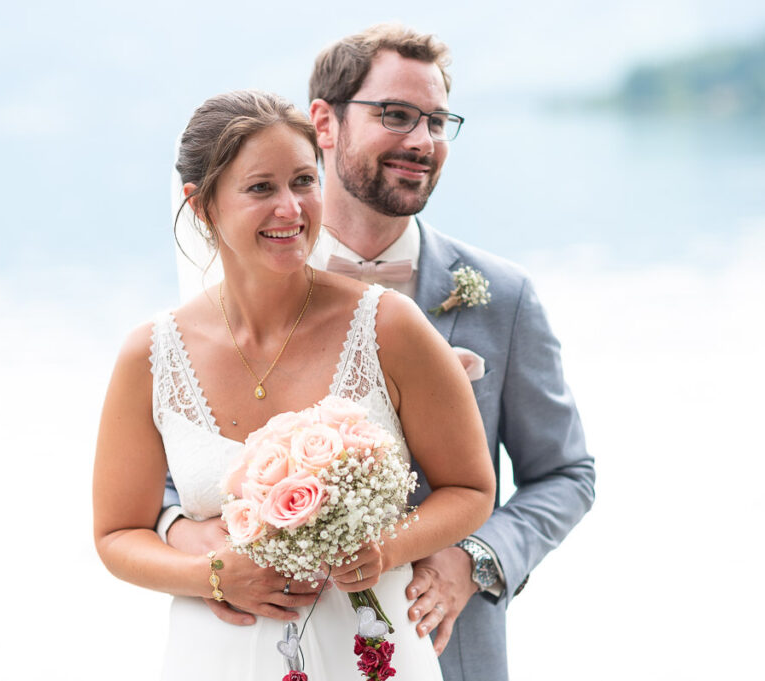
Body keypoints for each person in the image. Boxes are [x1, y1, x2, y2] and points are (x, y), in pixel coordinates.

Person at [166, 25, 597, 681]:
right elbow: (181, 459)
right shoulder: (241, 279)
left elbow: (565, 473)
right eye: (395, 115)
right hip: (267, 647)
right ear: (325, 122)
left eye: (437, 121)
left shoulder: (503, 298)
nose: (422, 141)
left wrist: (474, 559)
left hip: (446, 649)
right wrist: (186, 535)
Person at [93, 89, 496, 680]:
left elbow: (471, 489)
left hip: (372, 655)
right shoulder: (149, 355)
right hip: (217, 659)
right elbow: (117, 535)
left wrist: (385, 547)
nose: (291, 208)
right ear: (202, 206)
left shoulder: (390, 326)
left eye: (304, 181)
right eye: (261, 188)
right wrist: (212, 575)